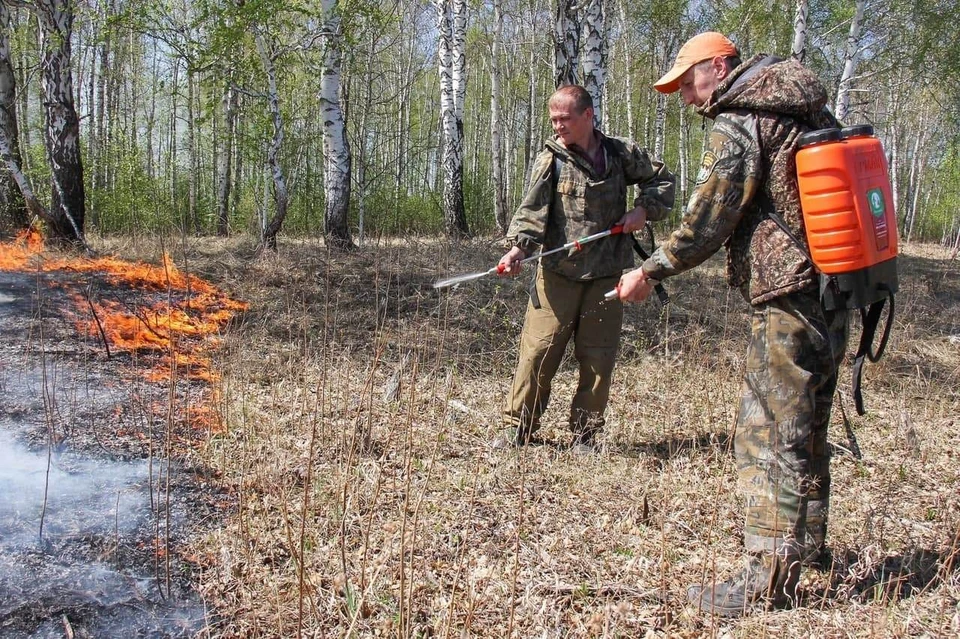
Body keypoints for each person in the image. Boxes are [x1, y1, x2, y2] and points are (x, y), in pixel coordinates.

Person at [614, 32, 850, 616]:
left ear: (719, 67)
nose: (687, 98)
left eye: (688, 81)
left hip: (787, 292)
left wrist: (653, 268)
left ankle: (767, 578)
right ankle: (808, 549)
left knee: (767, 430)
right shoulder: (806, 106)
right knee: (810, 422)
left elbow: (710, 215)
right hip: (837, 283)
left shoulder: (741, 119)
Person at [494, 84, 675, 453]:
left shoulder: (620, 153)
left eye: (565, 119)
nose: (558, 126)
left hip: (608, 275)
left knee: (598, 355)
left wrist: (643, 210)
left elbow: (662, 179)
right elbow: (531, 212)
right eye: (553, 120)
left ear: (588, 116)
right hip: (558, 274)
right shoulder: (551, 159)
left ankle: (586, 434)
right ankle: (519, 427)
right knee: (538, 352)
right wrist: (517, 250)